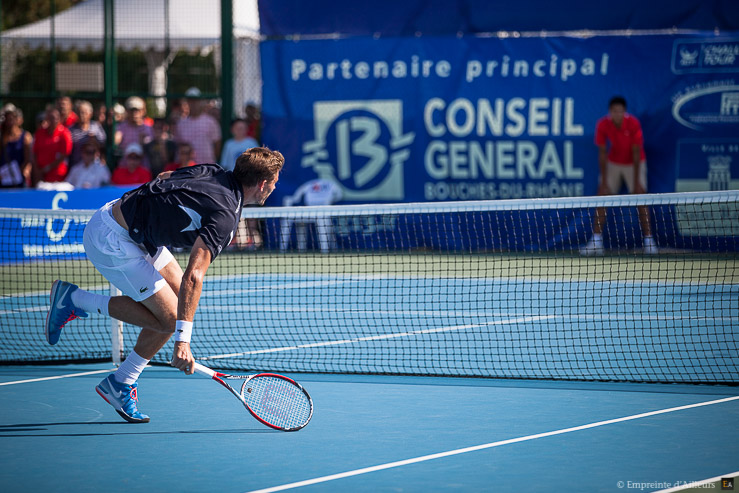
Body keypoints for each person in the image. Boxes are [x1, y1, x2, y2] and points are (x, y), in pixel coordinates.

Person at [44, 147, 284, 423]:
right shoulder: (226, 217)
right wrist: (183, 341)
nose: (274, 187)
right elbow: (194, 275)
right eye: (275, 181)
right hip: (112, 240)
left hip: (132, 225)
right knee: (172, 319)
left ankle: (120, 381)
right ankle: (75, 301)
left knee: (180, 305)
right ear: (263, 184)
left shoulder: (214, 171)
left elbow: (165, 177)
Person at [580, 96, 658, 256]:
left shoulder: (633, 123)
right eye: (614, 111)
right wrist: (603, 180)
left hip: (635, 163)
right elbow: (602, 152)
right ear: (610, 112)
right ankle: (596, 241)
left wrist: (636, 181)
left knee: (641, 196)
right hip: (613, 163)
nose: (617, 114)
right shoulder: (603, 124)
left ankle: (649, 242)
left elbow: (636, 152)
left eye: (620, 111)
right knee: (602, 196)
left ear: (624, 112)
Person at [280, 178, 343, 253]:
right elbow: (295, 198)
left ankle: (325, 249)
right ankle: (287, 248)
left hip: (323, 213)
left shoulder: (330, 185)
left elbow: (339, 194)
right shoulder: (309, 185)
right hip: (308, 212)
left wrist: (330, 200)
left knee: (324, 225)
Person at [175, 87, 221, 164]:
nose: (193, 103)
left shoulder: (211, 121)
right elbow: (178, 145)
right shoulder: (181, 124)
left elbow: (217, 145)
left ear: (200, 101)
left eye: (196, 100)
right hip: (188, 167)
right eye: (190, 101)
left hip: (207, 166)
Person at [33, 106, 73, 183]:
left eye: (55, 118)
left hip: (58, 176)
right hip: (40, 175)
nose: (53, 121)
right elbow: (35, 153)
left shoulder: (64, 133)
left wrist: (47, 169)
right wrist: (37, 170)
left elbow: (64, 155)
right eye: (50, 118)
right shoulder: (40, 133)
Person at [0, 104, 34, 188]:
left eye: (12, 118)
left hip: (20, 179)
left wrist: (24, 170)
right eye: (7, 118)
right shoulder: (2, 136)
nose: (10, 121)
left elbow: (29, 159)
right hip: (3, 179)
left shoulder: (25, 136)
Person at [115, 96, 154, 168]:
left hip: (143, 166)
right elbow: (115, 143)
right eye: (132, 110)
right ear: (127, 111)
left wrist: (143, 143)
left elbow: (151, 148)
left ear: (143, 111)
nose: (134, 113)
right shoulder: (121, 127)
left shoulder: (148, 128)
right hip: (125, 166)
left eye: (137, 110)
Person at [69, 100, 107, 167]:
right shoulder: (71, 129)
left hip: (94, 166)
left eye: (84, 113)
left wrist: (94, 140)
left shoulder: (96, 127)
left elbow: (103, 144)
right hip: (76, 166)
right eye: (79, 113)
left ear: (90, 114)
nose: (81, 115)